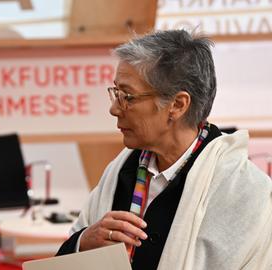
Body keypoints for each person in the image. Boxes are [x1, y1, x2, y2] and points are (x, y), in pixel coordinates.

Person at [56, 29, 272, 269]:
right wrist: (84, 241)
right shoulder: (121, 170)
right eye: (115, 93)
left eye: (127, 96)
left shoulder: (245, 191)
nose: (114, 109)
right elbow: (69, 257)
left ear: (177, 105)